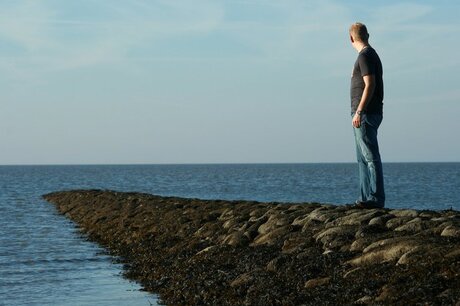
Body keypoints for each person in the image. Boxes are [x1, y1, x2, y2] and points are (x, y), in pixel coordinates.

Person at [349, 22, 385, 208]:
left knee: (370, 157)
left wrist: (359, 111)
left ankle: (375, 198)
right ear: (368, 35)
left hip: (365, 113)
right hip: (365, 113)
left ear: (351, 38)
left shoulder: (365, 56)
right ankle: (366, 198)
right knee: (362, 158)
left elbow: (370, 84)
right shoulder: (369, 55)